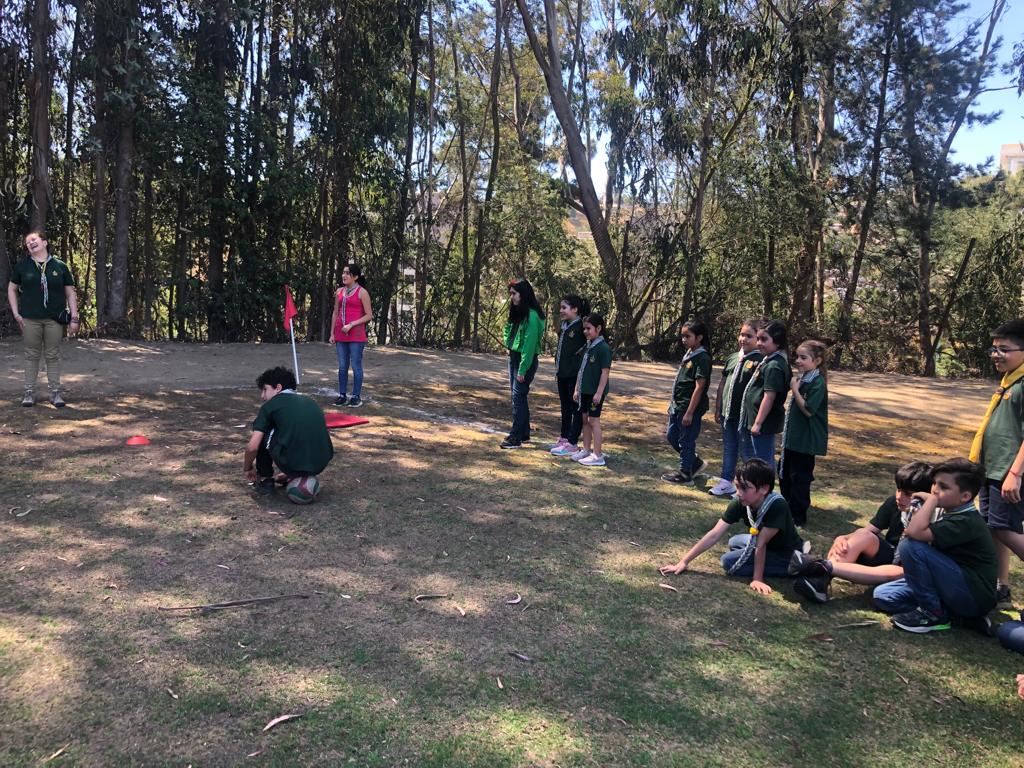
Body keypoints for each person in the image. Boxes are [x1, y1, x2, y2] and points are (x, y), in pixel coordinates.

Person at [872, 458, 997, 633]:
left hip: (973, 594)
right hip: (947, 583)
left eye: (943, 487)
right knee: (883, 595)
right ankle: (954, 615)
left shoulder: (965, 521)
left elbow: (913, 533)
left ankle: (933, 613)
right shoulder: (948, 513)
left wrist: (930, 502)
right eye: (935, 484)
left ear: (965, 496)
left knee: (910, 546)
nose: (935, 490)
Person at [788, 461, 933, 603]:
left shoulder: (935, 516)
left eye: (908, 494)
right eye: (898, 489)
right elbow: (867, 531)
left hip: (910, 569)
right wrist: (843, 538)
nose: (899, 497)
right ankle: (820, 582)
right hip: (890, 554)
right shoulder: (893, 503)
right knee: (863, 536)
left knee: (901, 571)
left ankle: (819, 566)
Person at [659, 458, 805, 595]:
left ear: (764, 489)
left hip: (786, 551)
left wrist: (757, 579)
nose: (738, 493)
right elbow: (715, 533)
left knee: (728, 561)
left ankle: (798, 566)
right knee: (734, 541)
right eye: (737, 486)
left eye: (745, 488)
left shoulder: (777, 505)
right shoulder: (741, 501)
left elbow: (761, 544)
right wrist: (684, 562)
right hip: (765, 543)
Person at [969, 318, 1024, 605]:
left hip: (1009, 471)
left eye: (1004, 349)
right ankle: (1000, 586)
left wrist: (1015, 473)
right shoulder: (1009, 381)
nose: (996, 355)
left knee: (1005, 528)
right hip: (992, 468)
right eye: (993, 349)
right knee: (993, 527)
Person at [7, 231, 80, 407]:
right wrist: (16, 314)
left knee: (52, 355)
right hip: (30, 319)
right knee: (31, 355)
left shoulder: (60, 266)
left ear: (45, 242)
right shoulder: (23, 266)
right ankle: (29, 393)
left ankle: (55, 393)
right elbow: (12, 289)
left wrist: (74, 318)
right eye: (27, 242)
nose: (30, 243)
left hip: (54, 319)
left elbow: (70, 293)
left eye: (34, 239)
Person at [244, 367, 334, 496]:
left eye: (265, 389)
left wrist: (247, 468)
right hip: (321, 462)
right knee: (298, 428)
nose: (262, 396)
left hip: (293, 462)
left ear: (278, 388)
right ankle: (295, 474)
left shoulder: (270, 406)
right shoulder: (310, 401)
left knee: (263, 429)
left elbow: (252, 447)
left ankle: (265, 478)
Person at [708, 319, 762, 497]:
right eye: (741, 334)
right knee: (729, 447)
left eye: (749, 336)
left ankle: (749, 486)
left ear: (758, 338)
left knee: (747, 452)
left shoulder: (760, 360)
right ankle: (726, 482)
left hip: (744, 416)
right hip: (727, 413)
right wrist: (718, 408)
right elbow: (723, 383)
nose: (743, 339)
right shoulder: (733, 358)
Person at [778, 340, 829, 526]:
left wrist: (795, 390)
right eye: (797, 357)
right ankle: (787, 509)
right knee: (784, 472)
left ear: (817, 361)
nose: (798, 361)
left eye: (803, 358)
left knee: (800, 478)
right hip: (793, 439)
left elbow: (808, 410)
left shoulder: (817, 382)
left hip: (806, 441)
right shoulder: (803, 379)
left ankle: (798, 517)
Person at [662, 318, 712, 485]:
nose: (683, 339)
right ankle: (695, 462)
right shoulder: (690, 354)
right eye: (682, 336)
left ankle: (685, 474)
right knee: (672, 436)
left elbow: (699, 387)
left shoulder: (702, 358)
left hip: (689, 407)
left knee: (686, 440)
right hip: (678, 405)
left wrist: (690, 412)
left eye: (687, 336)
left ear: (699, 338)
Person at [501, 279, 546, 449]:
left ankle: (516, 437)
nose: (512, 297)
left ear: (523, 294)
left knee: (518, 398)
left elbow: (529, 344)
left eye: (514, 294)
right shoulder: (518, 311)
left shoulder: (532, 316)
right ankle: (524, 432)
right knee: (518, 397)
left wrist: (522, 369)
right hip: (514, 357)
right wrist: (509, 344)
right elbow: (508, 328)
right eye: (510, 294)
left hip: (524, 361)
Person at [739, 320, 789, 469]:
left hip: (763, 423)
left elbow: (769, 396)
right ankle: (753, 482)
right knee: (753, 460)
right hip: (754, 419)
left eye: (764, 339)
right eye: (758, 339)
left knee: (763, 462)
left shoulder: (774, 366)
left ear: (777, 342)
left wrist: (758, 423)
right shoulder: (768, 360)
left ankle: (764, 484)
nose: (759, 343)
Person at [329, 263, 373, 407]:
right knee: (342, 366)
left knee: (355, 365)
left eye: (348, 273)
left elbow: (369, 315)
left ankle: (356, 396)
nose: (344, 275)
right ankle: (342, 395)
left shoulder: (362, 292)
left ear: (355, 277)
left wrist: (352, 324)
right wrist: (332, 333)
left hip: (356, 335)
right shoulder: (339, 291)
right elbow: (335, 312)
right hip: (340, 334)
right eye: (343, 272)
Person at [550, 295, 589, 457]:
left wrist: (576, 363)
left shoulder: (581, 327)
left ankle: (572, 442)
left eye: (564, 308)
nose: (561, 311)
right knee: (564, 407)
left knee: (575, 409)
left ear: (575, 309)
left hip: (574, 374)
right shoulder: (565, 325)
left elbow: (588, 347)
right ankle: (564, 437)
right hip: (562, 373)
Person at [571, 313, 612, 467]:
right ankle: (586, 450)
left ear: (598, 328)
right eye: (584, 329)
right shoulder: (588, 346)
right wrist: (577, 389)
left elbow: (605, 372)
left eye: (588, 328)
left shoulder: (603, 348)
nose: (585, 332)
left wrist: (599, 393)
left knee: (594, 421)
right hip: (584, 391)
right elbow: (581, 370)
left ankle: (597, 455)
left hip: (595, 393)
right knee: (585, 420)